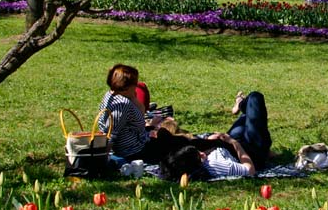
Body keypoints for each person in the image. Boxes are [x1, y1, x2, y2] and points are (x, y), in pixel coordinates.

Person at [98, 64, 260, 175]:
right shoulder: (121, 105)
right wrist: (101, 162)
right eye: (134, 84)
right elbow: (110, 135)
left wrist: (134, 98)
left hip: (140, 140)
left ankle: (215, 143)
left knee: (169, 136)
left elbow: (140, 113)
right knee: (184, 145)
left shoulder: (113, 96)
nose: (137, 87)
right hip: (137, 151)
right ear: (126, 87)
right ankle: (226, 147)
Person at [227, 91, 274, 170]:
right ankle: (240, 103)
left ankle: (241, 104)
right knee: (255, 97)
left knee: (249, 115)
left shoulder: (203, 154)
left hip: (231, 142)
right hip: (251, 150)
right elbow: (250, 170)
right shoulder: (207, 168)